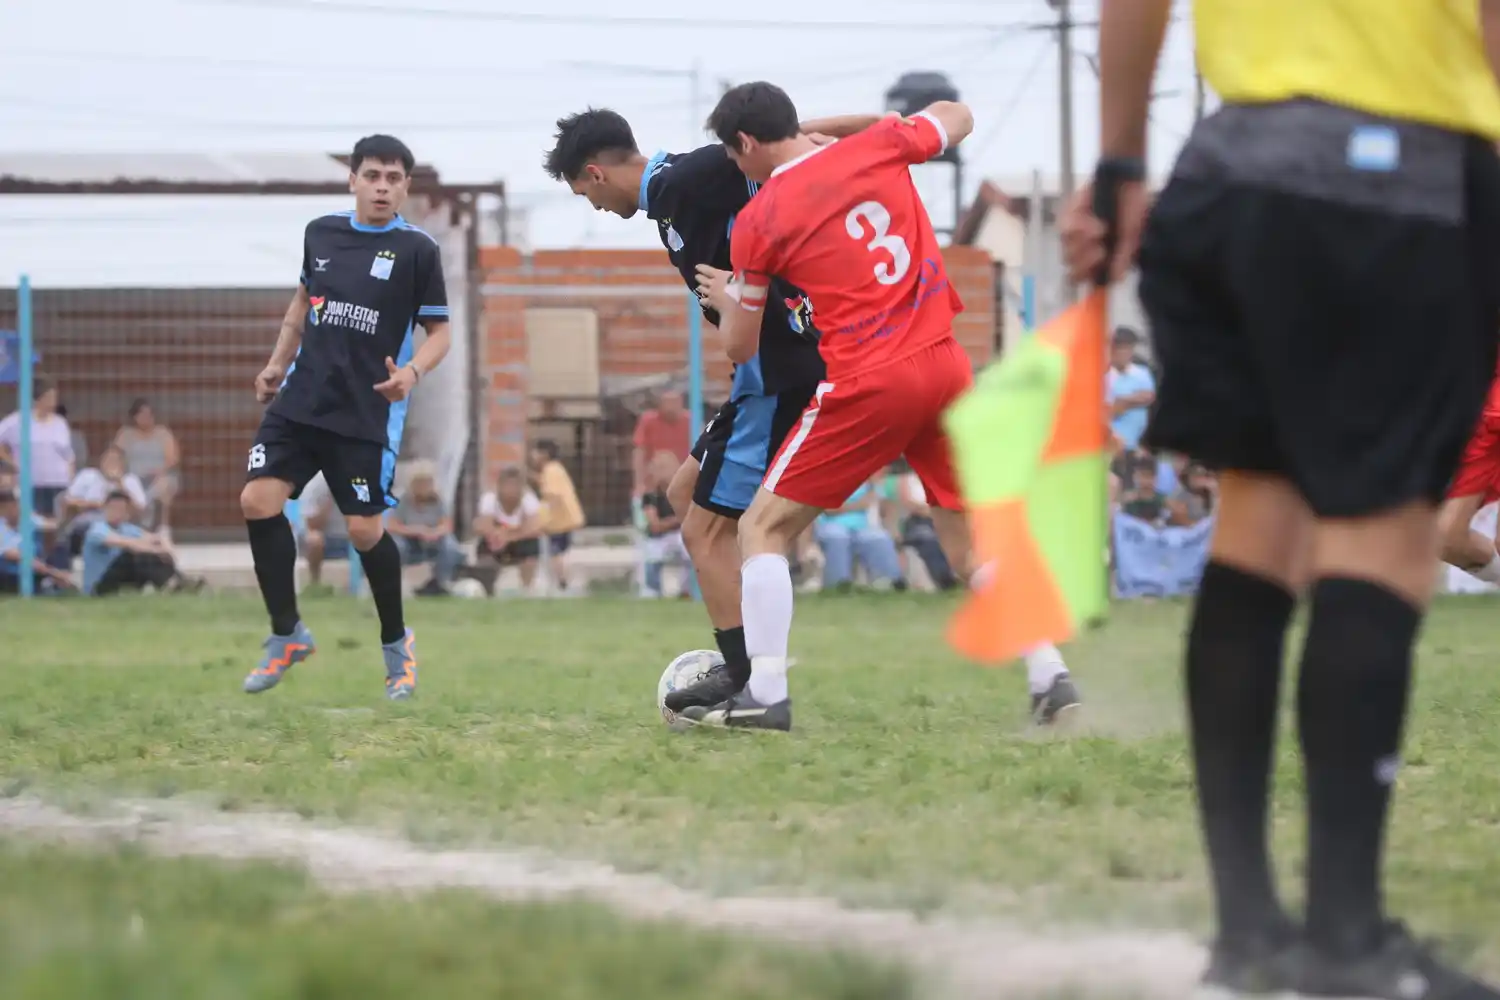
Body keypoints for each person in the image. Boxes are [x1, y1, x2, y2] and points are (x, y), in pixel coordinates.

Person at [1060, 0, 1500, 994]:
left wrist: (1121, 166)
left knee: (1256, 534)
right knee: (1382, 542)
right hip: (1401, 172)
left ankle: (1250, 935)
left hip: (1228, 170)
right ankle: (1348, 942)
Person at [690, 82, 1076, 731]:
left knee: (762, 527)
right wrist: (827, 124)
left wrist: (729, 298)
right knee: (968, 544)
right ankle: (1050, 675)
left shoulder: (757, 220)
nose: (735, 168)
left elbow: (741, 344)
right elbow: (960, 114)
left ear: (748, 143)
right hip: (947, 364)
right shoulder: (879, 145)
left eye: (734, 155)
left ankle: (767, 693)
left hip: (872, 378)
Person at [544, 105, 851, 708]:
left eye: (586, 195)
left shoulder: (684, 179)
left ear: (596, 174)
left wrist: (840, 136)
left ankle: (747, 680)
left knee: (703, 530)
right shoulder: (671, 202)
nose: (595, 207)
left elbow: (774, 143)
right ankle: (750, 647)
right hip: (755, 377)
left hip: (777, 375)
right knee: (684, 496)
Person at [239, 133, 450, 701]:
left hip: (367, 411)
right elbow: (301, 303)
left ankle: (396, 647)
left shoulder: (417, 251)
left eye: (394, 179)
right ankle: (287, 635)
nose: (383, 187)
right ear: (352, 179)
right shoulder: (321, 233)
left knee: (362, 530)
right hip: (302, 401)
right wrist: (275, 364)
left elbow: (440, 333)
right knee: (257, 500)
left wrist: (412, 374)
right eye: (373, 175)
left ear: (405, 187)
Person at [81, 491, 202, 596]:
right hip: (99, 585)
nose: (117, 513)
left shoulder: (127, 528)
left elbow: (156, 538)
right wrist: (156, 550)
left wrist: (166, 549)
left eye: (121, 509)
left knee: (148, 554)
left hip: (123, 579)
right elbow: (127, 543)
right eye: (113, 508)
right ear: (105, 508)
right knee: (133, 554)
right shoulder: (97, 529)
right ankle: (170, 583)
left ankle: (177, 581)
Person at [0, 374, 75, 517]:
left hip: (59, 484)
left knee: (56, 525)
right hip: (31, 483)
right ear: (37, 398)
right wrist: (12, 463)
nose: (53, 401)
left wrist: (70, 481)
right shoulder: (16, 421)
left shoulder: (60, 423)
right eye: (49, 396)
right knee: (33, 522)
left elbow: (69, 455)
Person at [812, 480, 906, 591]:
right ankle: (838, 585)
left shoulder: (867, 484)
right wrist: (858, 505)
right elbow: (828, 509)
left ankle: (890, 581)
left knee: (879, 537)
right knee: (838, 536)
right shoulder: (827, 482)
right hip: (830, 525)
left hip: (862, 528)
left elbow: (884, 503)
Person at [387, 461, 464, 596]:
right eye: (419, 483)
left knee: (450, 546)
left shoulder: (438, 500)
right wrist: (416, 530)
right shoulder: (402, 500)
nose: (423, 487)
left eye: (426, 483)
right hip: (408, 539)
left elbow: (447, 525)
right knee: (396, 546)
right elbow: (392, 526)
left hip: (433, 539)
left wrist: (434, 532)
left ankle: (441, 582)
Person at [114, 398, 181, 534]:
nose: (146, 418)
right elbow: (115, 456)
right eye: (142, 415)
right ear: (134, 417)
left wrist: (159, 471)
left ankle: (160, 525)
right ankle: (132, 523)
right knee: (123, 485)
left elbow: (173, 458)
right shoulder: (125, 434)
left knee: (164, 485)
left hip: (158, 475)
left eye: (149, 415)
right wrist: (118, 473)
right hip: (133, 477)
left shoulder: (163, 433)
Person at [527, 440, 585, 594]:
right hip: (565, 519)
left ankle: (563, 582)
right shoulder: (555, 469)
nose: (532, 456)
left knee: (555, 553)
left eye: (535, 452)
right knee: (559, 551)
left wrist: (544, 519)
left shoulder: (550, 470)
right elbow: (545, 483)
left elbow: (552, 497)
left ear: (544, 455)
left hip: (559, 521)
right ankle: (562, 581)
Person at [474, 467, 545, 592]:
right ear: (499, 486)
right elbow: (483, 525)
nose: (511, 490)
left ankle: (527, 588)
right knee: (485, 546)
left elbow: (535, 527)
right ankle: (487, 587)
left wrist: (510, 536)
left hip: (519, 540)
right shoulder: (489, 499)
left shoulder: (529, 500)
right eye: (507, 485)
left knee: (532, 545)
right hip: (496, 539)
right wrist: (497, 535)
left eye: (515, 485)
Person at [639, 449, 693, 598]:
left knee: (688, 546)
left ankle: (687, 590)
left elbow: (690, 518)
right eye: (659, 468)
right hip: (658, 538)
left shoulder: (684, 493)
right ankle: (653, 590)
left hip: (679, 534)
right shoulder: (650, 496)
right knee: (652, 552)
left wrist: (671, 522)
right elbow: (655, 526)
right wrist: (675, 520)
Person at [0, 488, 74, 594]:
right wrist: (54, 573)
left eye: (16, 504)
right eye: (9, 506)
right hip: (9, 571)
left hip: (34, 564)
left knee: (59, 545)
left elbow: (54, 526)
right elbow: (18, 556)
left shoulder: (28, 519)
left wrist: (68, 514)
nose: (15, 509)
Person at [630, 390, 693, 499]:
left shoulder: (691, 421)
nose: (670, 407)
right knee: (661, 460)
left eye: (674, 402)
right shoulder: (649, 420)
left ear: (681, 403)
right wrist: (639, 483)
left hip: (681, 472)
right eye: (667, 403)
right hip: (653, 473)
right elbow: (639, 451)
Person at [293, 473, 350, 590]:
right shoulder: (317, 484)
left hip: (350, 538)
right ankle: (315, 582)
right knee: (315, 539)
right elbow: (312, 525)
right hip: (325, 538)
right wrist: (330, 500)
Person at [1106, 327, 1155, 451]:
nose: (1124, 353)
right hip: (1113, 445)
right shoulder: (1104, 376)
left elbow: (1149, 397)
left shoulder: (1142, 372)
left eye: (1127, 348)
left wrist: (1123, 401)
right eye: (1120, 348)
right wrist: (1134, 398)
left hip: (1138, 445)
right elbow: (1109, 409)